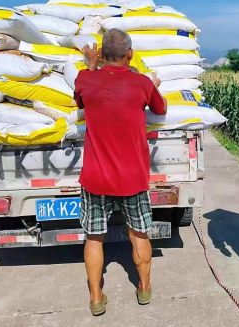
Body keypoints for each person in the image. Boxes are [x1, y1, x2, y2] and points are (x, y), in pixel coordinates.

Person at [74, 28, 167, 316]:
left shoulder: (84, 79)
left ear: (101, 53)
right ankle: (144, 288)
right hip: (133, 179)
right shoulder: (141, 84)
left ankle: (96, 297)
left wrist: (91, 64)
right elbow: (160, 109)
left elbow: (80, 101)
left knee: (93, 237)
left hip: (95, 178)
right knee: (139, 234)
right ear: (130, 54)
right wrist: (155, 84)